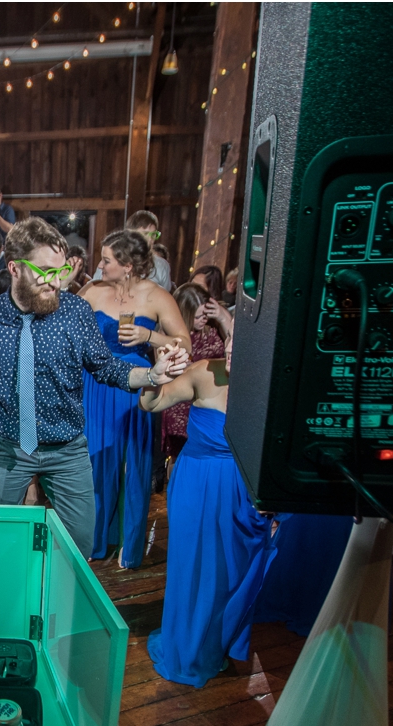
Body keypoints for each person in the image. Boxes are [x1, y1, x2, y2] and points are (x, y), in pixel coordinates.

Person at [0, 218, 190, 558]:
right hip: (8, 449)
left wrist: (153, 375)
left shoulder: (76, 312)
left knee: (78, 548)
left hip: (66, 452)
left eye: (60, 271)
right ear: (15, 268)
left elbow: (107, 368)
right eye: (45, 272)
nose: (55, 282)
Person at [141, 340, 276, 687]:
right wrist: (156, 377)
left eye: (239, 346)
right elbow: (152, 403)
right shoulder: (204, 373)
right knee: (195, 569)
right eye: (229, 343)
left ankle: (217, 641)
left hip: (242, 489)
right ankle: (187, 650)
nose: (229, 353)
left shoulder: (272, 381)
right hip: (197, 485)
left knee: (230, 573)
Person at [77, 230, 191, 568]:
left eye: (107, 260)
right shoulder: (93, 291)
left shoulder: (156, 296)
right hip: (95, 385)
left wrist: (149, 335)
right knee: (95, 463)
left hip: (136, 386)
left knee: (133, 465)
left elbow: (184, 342)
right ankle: (95, 540)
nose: (100, 265)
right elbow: (63, 321)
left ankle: (129, 543)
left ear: (127, 265)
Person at [161, 283, 230, 465]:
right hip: (181, 402)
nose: (203, 320)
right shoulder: (170, 334)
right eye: (198, 316)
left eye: (205, 315)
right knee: (179, 454)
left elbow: (236, 342)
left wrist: (223, 317)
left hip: (211, 400)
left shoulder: (213, 329)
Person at [91, 211, 173, 290]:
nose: (150, 239)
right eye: (144, 234)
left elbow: (165, 295)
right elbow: (94, 288)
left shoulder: (162, 265)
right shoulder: (110, 262)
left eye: (153, 234)